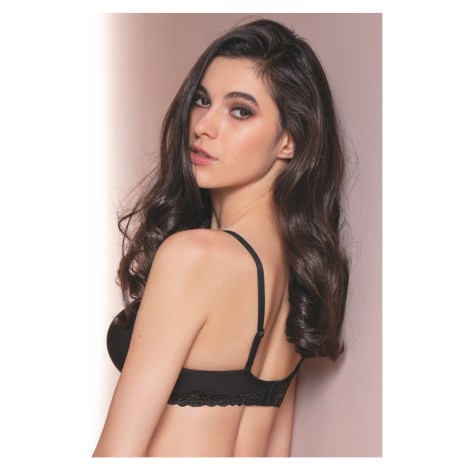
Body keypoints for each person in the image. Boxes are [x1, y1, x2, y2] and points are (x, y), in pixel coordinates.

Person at [93, 18, 350, 457]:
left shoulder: (193, 256)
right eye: (202, 100)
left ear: (289, 140)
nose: (203, 126)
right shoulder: (303, 273)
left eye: (240, 111)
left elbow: (117, 453)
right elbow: (275, 451)